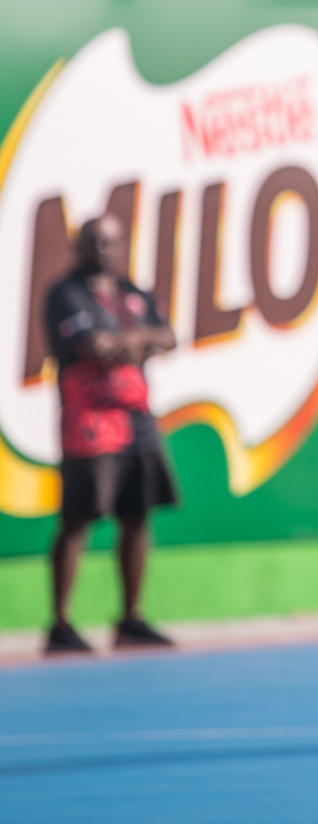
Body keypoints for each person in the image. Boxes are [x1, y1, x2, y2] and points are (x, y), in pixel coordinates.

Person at [42, 214, 179, 655]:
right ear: (80, 246)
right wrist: (138, 343)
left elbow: (169, 336)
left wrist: (121, 342)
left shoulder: (131, 293)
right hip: (90, 420)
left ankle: (130, 618)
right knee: (79, 517)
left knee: (138, 514)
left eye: (112, 242)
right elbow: (90, 347)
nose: (105, 249)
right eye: (96, 241)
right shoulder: (66, 294)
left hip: (136, 415)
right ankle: (61, 624)